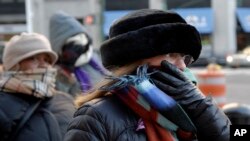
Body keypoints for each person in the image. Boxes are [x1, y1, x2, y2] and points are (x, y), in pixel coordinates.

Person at [64, 9, 230, 141]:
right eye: (171, 54)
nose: (182, 66)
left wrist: (201, 108)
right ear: (136, 60)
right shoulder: (95, 117)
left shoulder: (192, 109)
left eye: (185, 57)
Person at [0, 32, 75, 141]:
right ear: (14, 65)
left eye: (47, 60)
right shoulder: (3, 106)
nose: (43, 64)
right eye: (33, 58)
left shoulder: (65, 101)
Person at [49, 11, 108, 98]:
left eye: (82, 41)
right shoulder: (55, 72)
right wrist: (69, 83)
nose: (80, 48)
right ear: (60, 48)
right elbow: (63, 102)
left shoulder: (97, 58)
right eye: (73, 44)